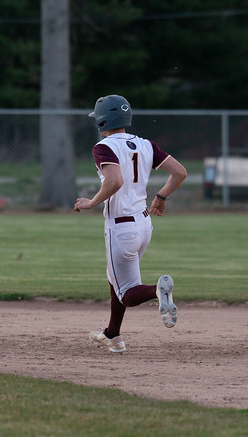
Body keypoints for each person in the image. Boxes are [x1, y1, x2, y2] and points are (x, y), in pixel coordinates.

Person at [74, 94, 188, 354]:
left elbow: (114, 181)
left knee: (128, 292)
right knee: (115, 279)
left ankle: (157, 290)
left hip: (120, 227)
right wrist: (161, 197)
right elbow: (180, 172)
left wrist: (91, 202)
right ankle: (113, 335)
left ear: (102, 121)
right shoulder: (146, 144)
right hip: (144, 224)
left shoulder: (103, 147)